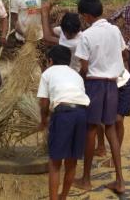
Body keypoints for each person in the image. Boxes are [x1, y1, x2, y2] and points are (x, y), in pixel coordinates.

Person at [74, 0, 127, 194]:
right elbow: (124, 53)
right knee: (110, 129)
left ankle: (86, 179)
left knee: (90, 130)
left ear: (87, 16)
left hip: (94, 85)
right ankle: (120, 180)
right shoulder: (115, 30)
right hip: (112, 85)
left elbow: (84, 68)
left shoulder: (87, 35)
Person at [37, 45, 90, 200]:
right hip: (82, 114)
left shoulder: (47, 73)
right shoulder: (76, 75)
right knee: (71, 162)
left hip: (64, 114)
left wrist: (43, 120)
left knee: (54, 163)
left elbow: (44, 102)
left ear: (50, 61)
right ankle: (63, 197)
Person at [95, 69, 130, 165]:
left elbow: (125, 56)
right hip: (108, 85)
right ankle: (101, 147)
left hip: (125, 85)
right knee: (97, 114)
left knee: (117, 120)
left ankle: (114, 159)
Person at [11, 0, 46, 69]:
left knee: (43, 62)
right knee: (22, 65)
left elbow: (39, 13)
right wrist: (24, 34)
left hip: (38, 36)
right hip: (23, 39)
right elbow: (14, 21)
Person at [41, 3, 82, 72]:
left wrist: (44, 13)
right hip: (62, 69)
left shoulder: (76, 43)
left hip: (73, 71)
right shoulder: (67, 28)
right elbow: (51, 32)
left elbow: (47, 38)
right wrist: (48, 13)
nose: (68, 36)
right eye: (66, 33)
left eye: (71, 34)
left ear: (78, 31)